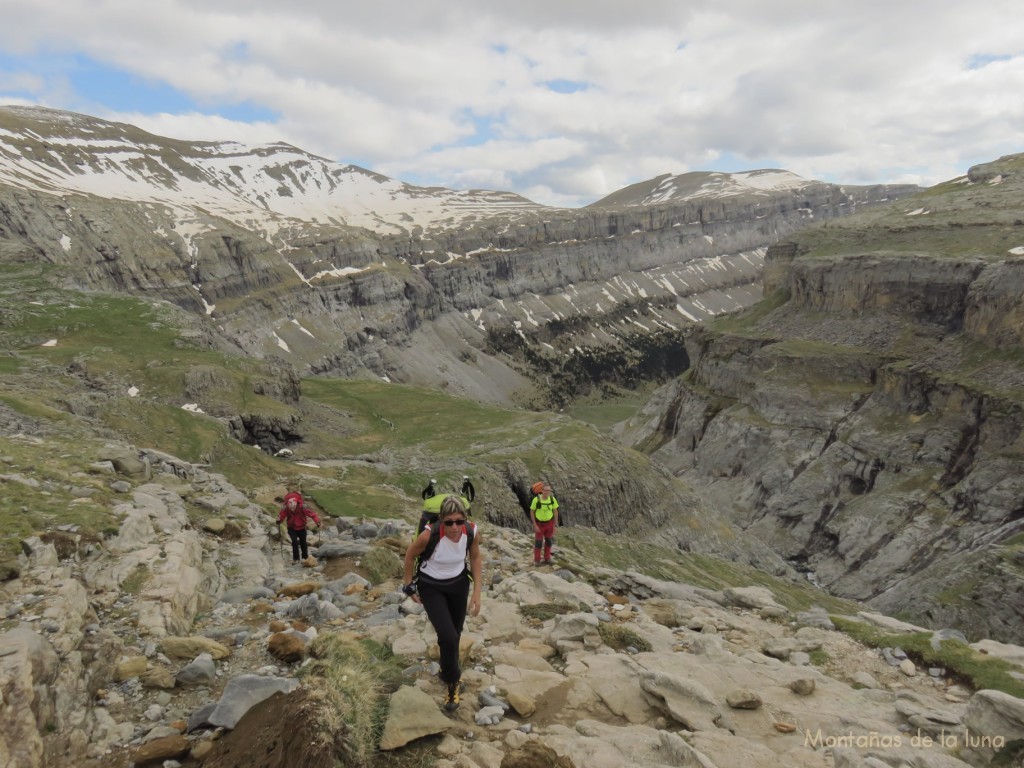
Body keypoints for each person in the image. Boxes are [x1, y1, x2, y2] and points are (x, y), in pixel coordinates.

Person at [402, 495, 482, 712]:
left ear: (465, 520)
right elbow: (409, 556)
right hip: (431, 587)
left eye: (459, 521)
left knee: (454, 635)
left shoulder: (472, 531)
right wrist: (409, 586)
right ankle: (453, 682)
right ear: (441, 520)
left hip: (458, 585)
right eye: (448, 522)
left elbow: (475, 558)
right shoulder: (429, 535)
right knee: (447, 636)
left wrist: (477, 592)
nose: (454, 527)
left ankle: (447, 671)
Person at [277, 491, 321, 564]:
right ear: (288, 505)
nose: (292, 509)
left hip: (302, 527)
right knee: (294, 542)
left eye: (293, 508)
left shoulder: (303, 507)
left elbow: (312, 514)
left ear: (296, 504)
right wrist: (278, 521)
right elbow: (281, 516)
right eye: (290, 508)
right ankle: (296, 559)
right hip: (291, 527)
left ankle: (305, 557)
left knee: (303, 542)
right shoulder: (286, 508)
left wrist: (317, 522)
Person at [530, 481, 559, 566]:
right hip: (539, 524)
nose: (547, 492)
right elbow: (532, 511)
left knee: (549, 541)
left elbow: (555, 511)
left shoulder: (552, 499)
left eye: (549, 490)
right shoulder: (536, 500)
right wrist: (535, 525)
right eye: (546, 490)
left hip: (550, 523)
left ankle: (547, 558)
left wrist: (555, 524)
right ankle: (537, 560)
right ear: (542, 491)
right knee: (538, 542)